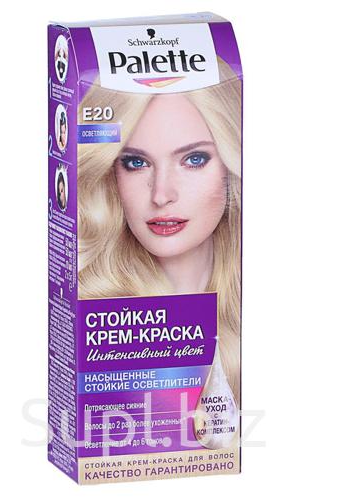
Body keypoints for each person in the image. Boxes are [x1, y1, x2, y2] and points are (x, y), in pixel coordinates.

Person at [78, 58, 241, 409]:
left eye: (194, 159)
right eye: (136, 163)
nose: (161, 194)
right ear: (111, 173)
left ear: (231, 165)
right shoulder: (93, 312)